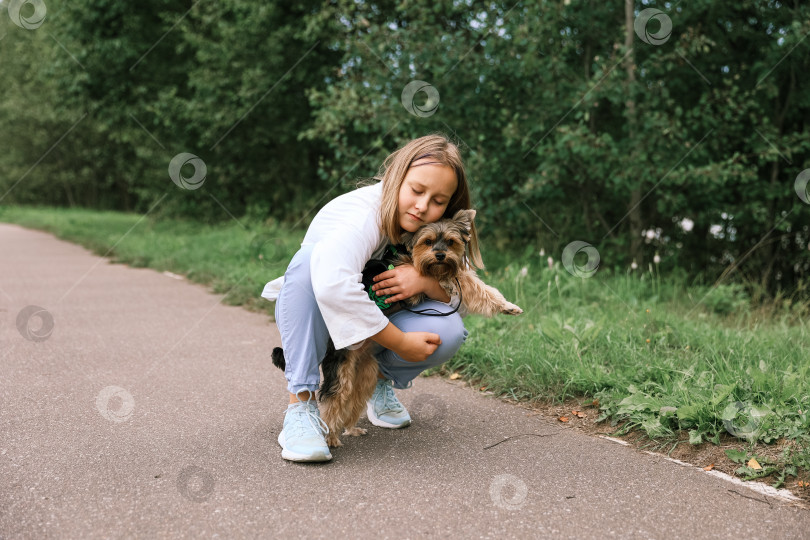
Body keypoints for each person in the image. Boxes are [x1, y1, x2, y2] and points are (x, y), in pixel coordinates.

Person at [261, 133, 485, 462]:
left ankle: (375, 382)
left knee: (448, 330)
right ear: (396, 178)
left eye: (438, 200)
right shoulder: (364, 216)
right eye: (417, 190)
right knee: (311, 262)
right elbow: (331, 287)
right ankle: (301, 405)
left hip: (372, 313)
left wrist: (423, 282)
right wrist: (399, 342)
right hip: (315, 312)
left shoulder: (436, 230)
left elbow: (465, 298)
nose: (423, 206)